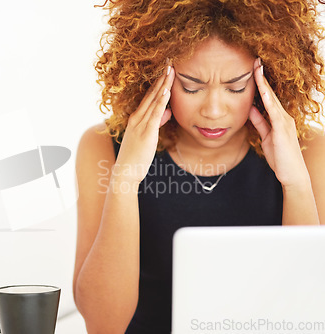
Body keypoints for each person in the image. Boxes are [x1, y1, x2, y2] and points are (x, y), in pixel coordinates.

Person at [72, 0, 325, 333]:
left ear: (266, 80)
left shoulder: (309, 151)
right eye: (191, 86)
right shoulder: (104, 146)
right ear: (153, 76)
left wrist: (295, 184)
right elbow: (103, 324)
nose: (214, 110)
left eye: (236, 86)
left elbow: (309, 311)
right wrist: (126, 179)